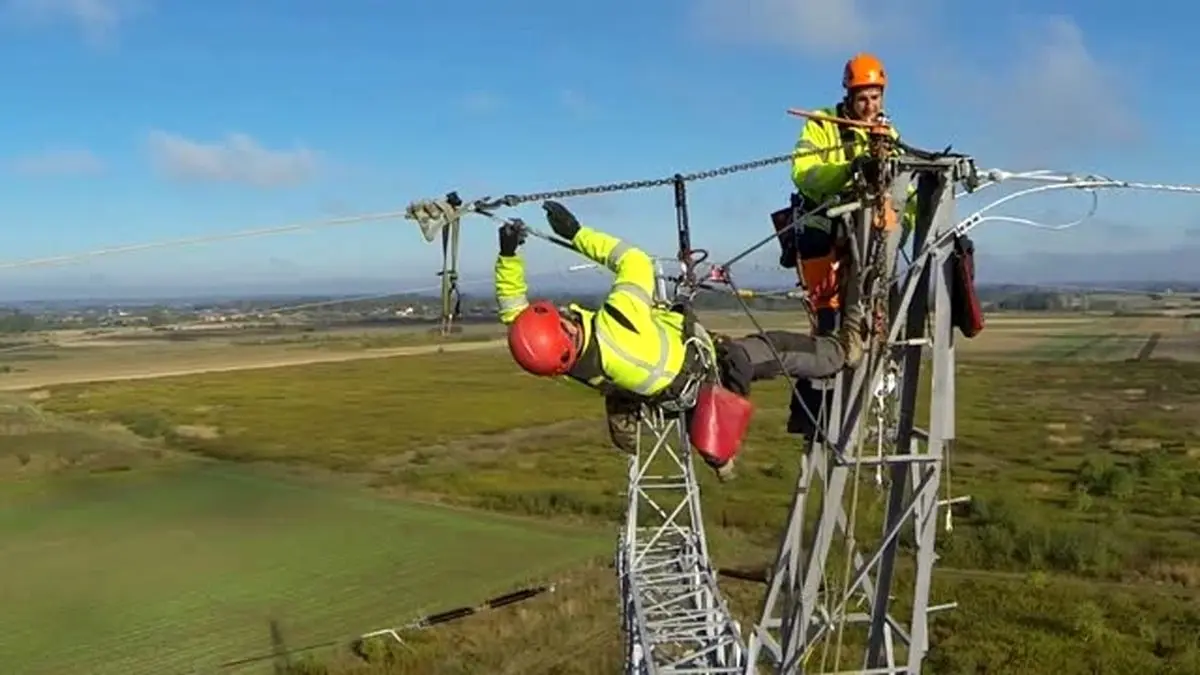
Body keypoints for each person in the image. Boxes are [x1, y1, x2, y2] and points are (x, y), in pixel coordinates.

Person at [494, 200, 864, 480]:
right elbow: (633, 261)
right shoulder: (619, 323)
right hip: (705, 372)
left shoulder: (558, 360)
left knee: (663, 394)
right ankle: (843, 350)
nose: (561, 311)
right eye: (559, 317)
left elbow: (515, 317)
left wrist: (508, 256)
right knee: (776, 348)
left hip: (663, 394)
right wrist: (576, 234)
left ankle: (708, 450)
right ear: (566, 330)